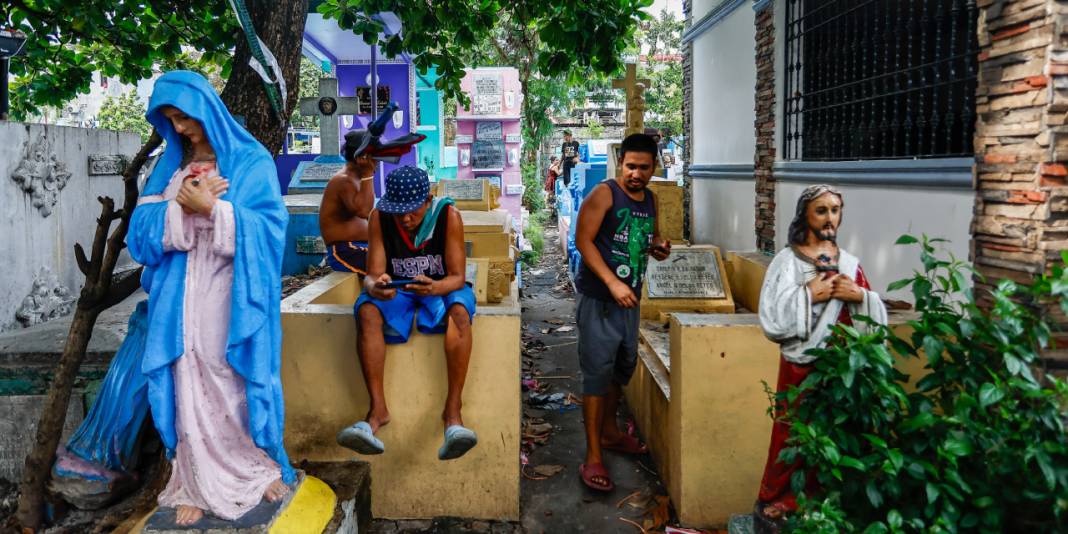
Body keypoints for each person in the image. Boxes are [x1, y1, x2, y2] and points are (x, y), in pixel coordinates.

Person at [128, 71, 294, 526]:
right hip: (178, 301)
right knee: (187, 380)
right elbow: (139, 237)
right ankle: (194, 482)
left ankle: (256, 469)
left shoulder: (249, 161)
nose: (180, 128)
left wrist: (214, 210)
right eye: (170, 120)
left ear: (206, 109)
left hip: (231, 296)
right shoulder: (170, 167)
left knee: (231, 377)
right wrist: (178, 207)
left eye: (185, 117)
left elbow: (271, 231)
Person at [754, 184, 888, 528]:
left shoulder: (849, 263)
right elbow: (771, 314)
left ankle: (824, 498)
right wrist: (808, 295)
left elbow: (871, 312)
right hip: (801, 363)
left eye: (835, 209)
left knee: (835, 430)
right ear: (806, 215)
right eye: (821, 210)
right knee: (793, 430)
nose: (830, 217)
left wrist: (858, 295)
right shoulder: (788, 262)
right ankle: (781, 496)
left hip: (841, 366)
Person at [335, 166, 479, 461]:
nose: (405, 218)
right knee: (367, 312)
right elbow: (372, 275)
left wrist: (436, 287)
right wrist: (377, 287)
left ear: (428, 200)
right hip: (400, 291)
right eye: (398, 210)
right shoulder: (379, 217)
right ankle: (376, 413)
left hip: (440, 286)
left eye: (411, 210)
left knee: (460, 312)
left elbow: (457, 277)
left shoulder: (449, 217)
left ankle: (453, 415)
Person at [573, 133, 671, 492]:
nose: (636, 173)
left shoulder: (651, 199)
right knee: (596, 374)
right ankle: (593, 454)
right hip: (599, 299)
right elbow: (583, 241)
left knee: (621, 368)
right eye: (630, 166)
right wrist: (612, 282)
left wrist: (659, 247)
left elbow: (651, 238)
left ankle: (611, 432)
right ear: (620, 163)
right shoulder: (604, 194)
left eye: (644, 168)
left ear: (653, 168)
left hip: (630, 301)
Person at [319, 132, 379, 275]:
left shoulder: (357, 179)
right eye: (375, 156)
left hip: (360, 246)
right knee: (390, 266)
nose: (378, 161)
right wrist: (368, 172)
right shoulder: (344, 181)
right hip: (346, 249)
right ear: (362, 157)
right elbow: (364, 211)